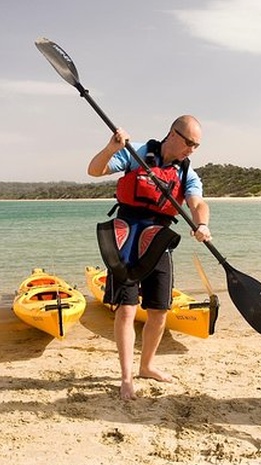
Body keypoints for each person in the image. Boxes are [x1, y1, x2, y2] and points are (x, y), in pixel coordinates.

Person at [87, 115, 211, 401]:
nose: (191, 150)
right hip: (126, 237)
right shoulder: (137, 152)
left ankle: (147, 366)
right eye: (189, 142)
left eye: (196, 146)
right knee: (126, 310)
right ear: (172, 134)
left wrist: (202, 224)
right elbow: (94, 170)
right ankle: (127, 376)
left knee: (159, 311)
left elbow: (198, 203)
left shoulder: (187, 173)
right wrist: (110, 148)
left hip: (157, 239)